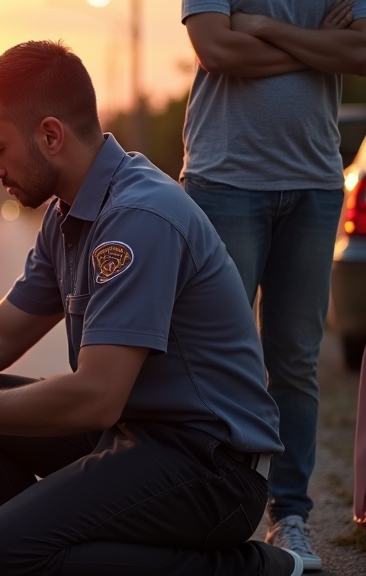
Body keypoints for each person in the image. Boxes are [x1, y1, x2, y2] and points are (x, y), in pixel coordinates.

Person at [0, 40, 302, 576]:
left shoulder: (139, 216)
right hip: (139, 435)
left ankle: (253, 568)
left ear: (51, 135)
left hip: (211, 468)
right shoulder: (68, 214)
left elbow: (96, 398)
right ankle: (50, 554)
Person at [181, 1, 366, 570]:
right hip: (225, 178)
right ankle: (207, 511)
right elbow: (215, 49)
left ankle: (289, 517)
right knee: (213, 360)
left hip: (314, 182)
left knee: (295, 361)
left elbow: (360, 53)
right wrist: (311, 45)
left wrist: (261, 29)